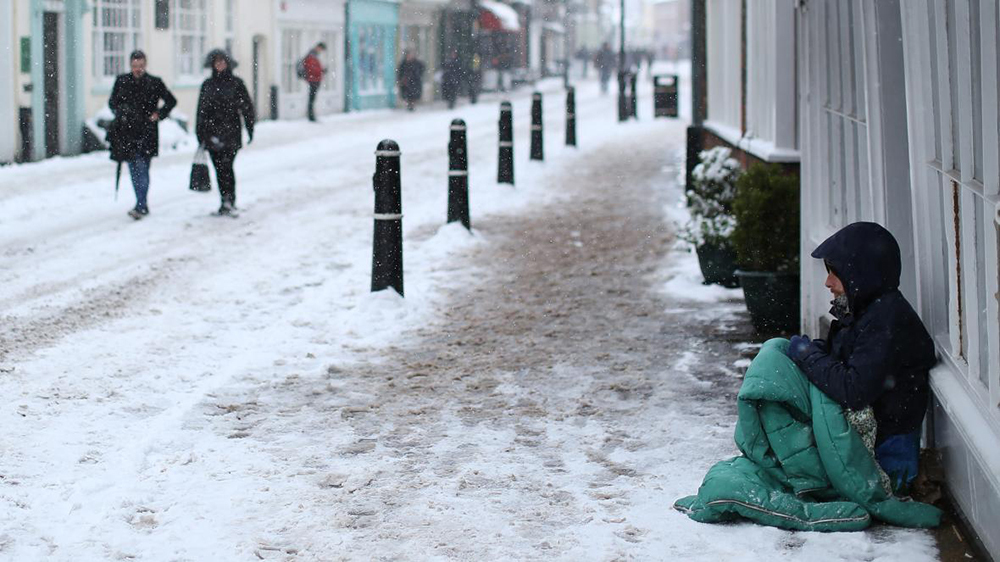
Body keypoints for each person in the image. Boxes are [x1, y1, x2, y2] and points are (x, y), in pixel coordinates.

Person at [786, 222, 937, 493]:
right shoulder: (868, 310)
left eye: (835, 272)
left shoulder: (887, 321)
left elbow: (854, 390)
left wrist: (808, 356)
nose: (828, 282)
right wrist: (812, 351)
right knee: (775, 356)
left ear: (860, 273)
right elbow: (843, 354)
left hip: (886, 455)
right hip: (871, 438)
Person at [108, 50, 177, 220]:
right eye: (134, 66)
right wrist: (121, 112)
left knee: (143, 168)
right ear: (130, 65)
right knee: (134, 167)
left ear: (145, 65)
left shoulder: (154, 82)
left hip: (148, 131)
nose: (137, 69)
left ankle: (141, 204)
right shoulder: (122, 81)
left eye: (140, 66)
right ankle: (141, 204)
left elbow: (171, 101)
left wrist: (159, 114)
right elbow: (112, 102)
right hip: (128, 132)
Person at [196, 49, 255, 216]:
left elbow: (247, 108)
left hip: (231, 131)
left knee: (227, 167)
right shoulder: (207, 85)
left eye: (222, 61)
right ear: (212, 65)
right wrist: (200, 133)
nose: (220, 65)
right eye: (217, 62)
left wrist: (250, 129)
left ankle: (230, 200)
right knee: (218, 168)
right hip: (212, 132)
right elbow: (201, 110)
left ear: (228, 63)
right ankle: (224, 201)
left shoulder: (237, 83)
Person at [302, 43, 326, 122]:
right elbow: (312, 68)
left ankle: (311, 115)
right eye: (321, 49)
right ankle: (311, 116)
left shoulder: (313, 55)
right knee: (311, 98)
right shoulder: (311, 56)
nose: (321, 51)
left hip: (315, 79)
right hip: (313, 80)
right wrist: (321, 71)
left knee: (312, 98)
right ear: (318, 47)